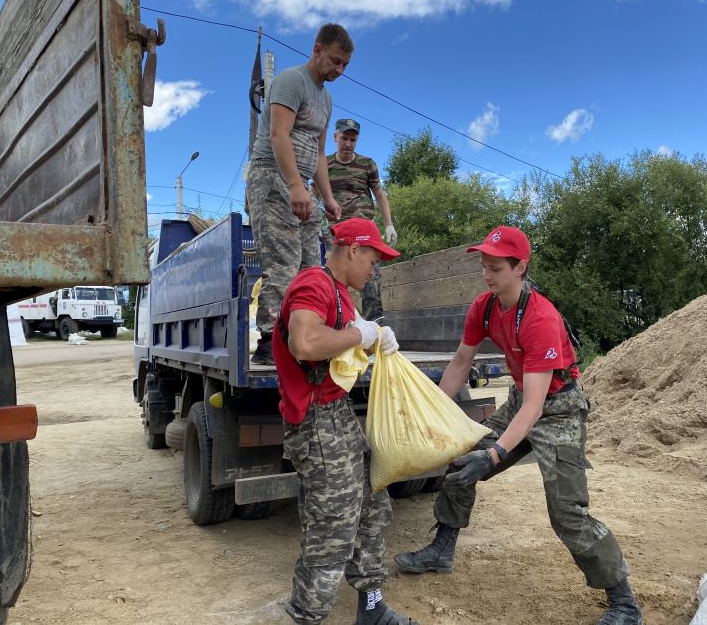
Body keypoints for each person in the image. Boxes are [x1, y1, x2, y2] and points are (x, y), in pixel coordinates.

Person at [394, 226, 643, 625]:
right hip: (521, 401)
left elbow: (535, 407)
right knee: (460, 460)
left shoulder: (541, 317)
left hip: (557, 409)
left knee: (567, 513)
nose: (486, 275)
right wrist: (436, 415)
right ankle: (442, 548)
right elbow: (460, 363)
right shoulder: (485, 307)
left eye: (495, 267)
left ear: (520, 267)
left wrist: (493, 455)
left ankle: (625, 603)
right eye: (483, 266)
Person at [274, 217, 418, 625]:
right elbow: (304, 343)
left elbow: (339, 349)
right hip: (315, 421)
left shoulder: (340, 293)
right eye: (373, 259)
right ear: (353, 249)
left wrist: (373, 341)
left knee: (373, 505)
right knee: (333, 528)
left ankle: (372, 609)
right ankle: (306, 617)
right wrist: (361, 335)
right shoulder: (313, 284)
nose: (374, 271)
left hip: (336, 414)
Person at [247, 23, 351, 366]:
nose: (338, 70)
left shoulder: (326, 98)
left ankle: (306, 334)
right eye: (335, 61)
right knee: (284, 262)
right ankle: (269, 342)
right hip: (272, 177)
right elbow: (279, 136)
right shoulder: (292, 81)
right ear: (317, 49)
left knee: (312, 267)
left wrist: (328, 197)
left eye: (344, 66)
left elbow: (319, 154)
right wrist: (294, 186)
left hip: (300, 184)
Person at [325, 118, 396, 321]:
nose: (348, 144)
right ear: (335, 137)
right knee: (335, 277)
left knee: (371, 279)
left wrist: (389, 224)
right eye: (344, 138)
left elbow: (379, 194)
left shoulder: (367, 164)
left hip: (365, 231)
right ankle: (336, 323)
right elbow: (314, 192)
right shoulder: (325, 164)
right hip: (337, 231)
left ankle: (376, 327)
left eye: (353, 140)